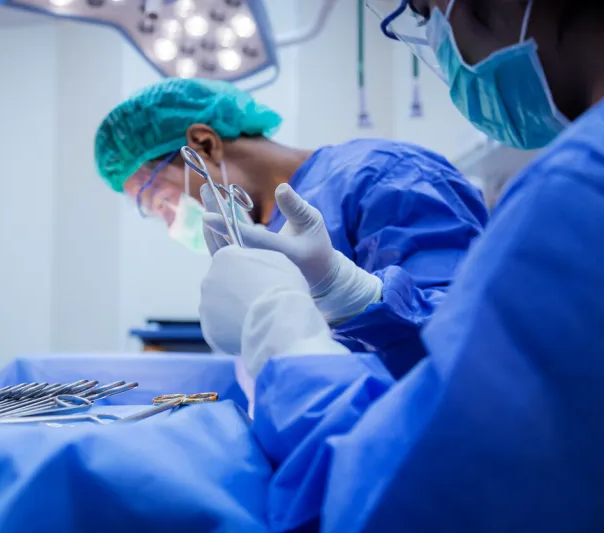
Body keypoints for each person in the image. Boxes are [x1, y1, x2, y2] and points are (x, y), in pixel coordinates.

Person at [198, 0, 604, 530]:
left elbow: (396, 498)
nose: (440, 41)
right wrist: (344, 298)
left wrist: (278, 330)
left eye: (426, 11)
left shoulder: (575, 190)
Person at [94, 78, 487, 380]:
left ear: (204, 144)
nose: (170, 223)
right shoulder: (264, 235)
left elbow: (465, 342)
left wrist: (352, 297)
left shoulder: (386, 176)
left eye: (160, 200)